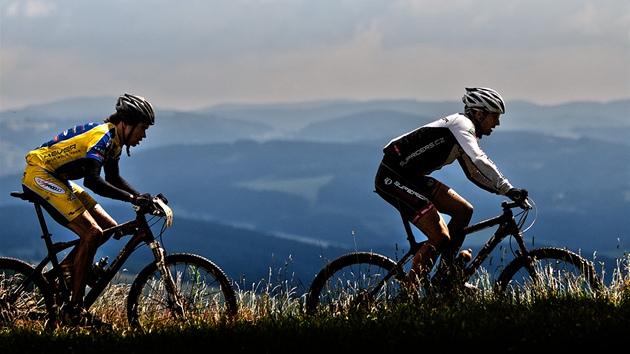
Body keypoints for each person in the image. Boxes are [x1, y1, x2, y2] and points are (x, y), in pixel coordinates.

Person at [21, 93, 156, 326]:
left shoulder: (114, 141)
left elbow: (112, 177)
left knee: (108, 226)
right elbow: (93, 181)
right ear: (127, 122)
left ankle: (63, 272)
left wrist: (140, 197)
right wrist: (134, 198)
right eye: (142, 128)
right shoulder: (102, 137)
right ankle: (74, 310)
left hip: (56, 177)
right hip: (40, 174)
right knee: (92, 233)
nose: (143, 136)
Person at [374, 87, 528, 285]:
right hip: (392, 176)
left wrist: (506, 191)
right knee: (440, 237)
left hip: (410, 177)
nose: (498, 123)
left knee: (463, 210)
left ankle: (446, 276)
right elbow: (479, 159)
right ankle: (409, 298)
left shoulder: (461, 132)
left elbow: (474, 174)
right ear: (480, 114)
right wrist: (507, 187)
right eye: (495, 116)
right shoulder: (462, 125)